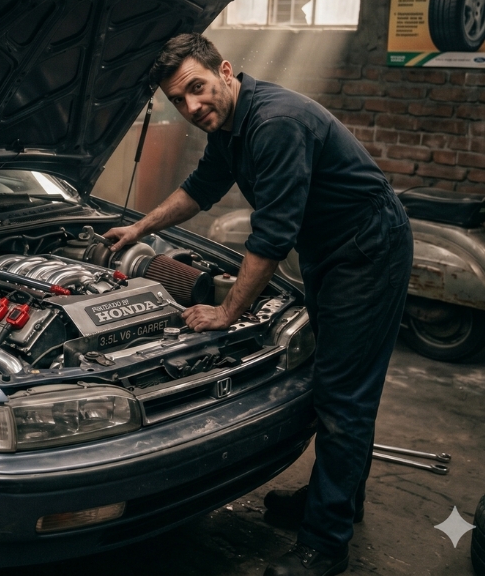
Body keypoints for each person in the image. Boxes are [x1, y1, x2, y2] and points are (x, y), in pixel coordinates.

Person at [105, 34, 412, 576]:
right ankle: (338, 500)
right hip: (330, 248)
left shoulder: (274, 123)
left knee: (345, 399)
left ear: (225, 71)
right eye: (178, 101)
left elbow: (270, 238)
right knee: (336, 382)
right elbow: (201, 187)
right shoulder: (230, 122)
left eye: (197, 89)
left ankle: (325, 545)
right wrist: (139, 227)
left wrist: (227, 314)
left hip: (366, 249)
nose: (192, 107)